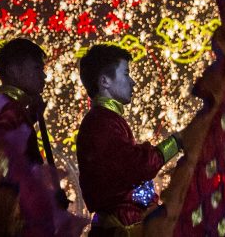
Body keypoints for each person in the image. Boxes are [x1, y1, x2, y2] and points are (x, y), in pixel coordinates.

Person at [76, 44, 184, 236]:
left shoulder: (109, 119)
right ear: (104, 81)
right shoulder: (101, 123)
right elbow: (138, 166)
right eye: (125, 74)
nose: (133, 82)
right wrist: (175, 143)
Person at [0, 38, 47, 165]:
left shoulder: (3, 105)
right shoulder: (10, 110)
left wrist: (30, 117)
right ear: (13, 71)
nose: (44, 76)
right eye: (37, 68)